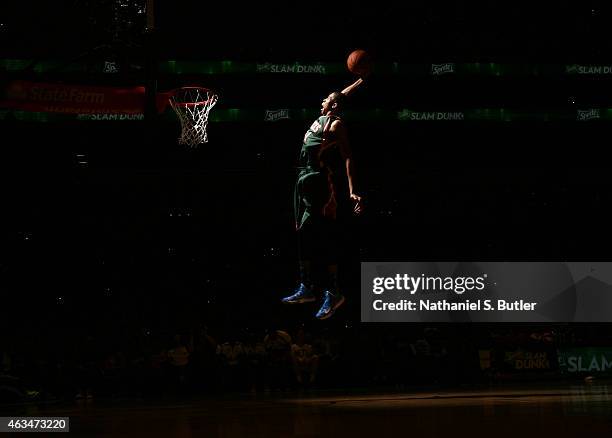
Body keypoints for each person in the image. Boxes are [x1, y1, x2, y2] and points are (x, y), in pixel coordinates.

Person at [281, 77, 365, 319]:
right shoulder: (323, 117)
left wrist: (352, 190)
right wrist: (360, 79)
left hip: (318, 180)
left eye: (326, 100)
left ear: (334, 106)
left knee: (323, 235)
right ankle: (306, 286)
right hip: (302, 180)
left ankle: (334, 290)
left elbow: (348, 156)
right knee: (303, 233)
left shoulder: (336, 125)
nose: (322, 101)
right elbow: (342, 95)